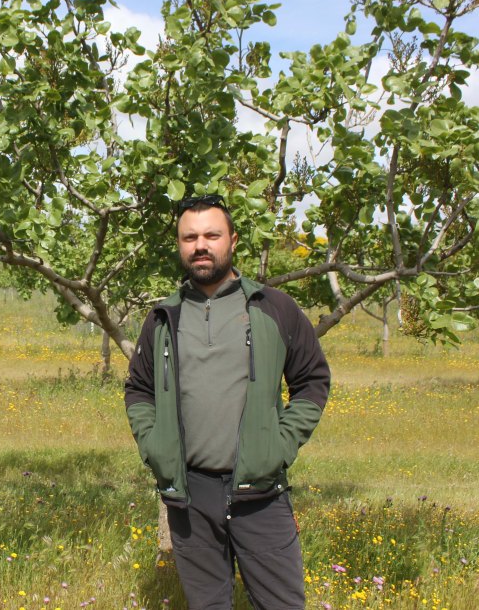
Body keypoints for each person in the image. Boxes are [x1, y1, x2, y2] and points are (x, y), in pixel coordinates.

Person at [124, 194, 331, 610]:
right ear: (180, 246)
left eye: (211, 235)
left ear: (232, 240)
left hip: (262, 493)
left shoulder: (275, 308)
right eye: (190, 237)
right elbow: (139, 390)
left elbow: (312, 380)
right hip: (190, 496)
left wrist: (280, 444)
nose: (201, 245)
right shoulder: (164, 317)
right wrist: (156, 448)